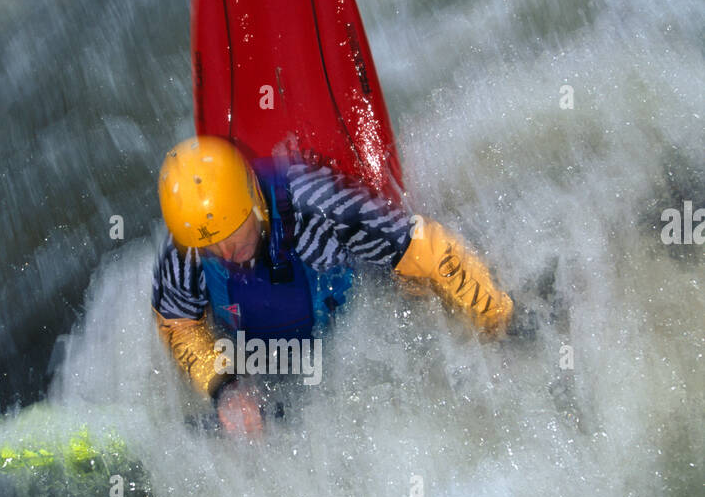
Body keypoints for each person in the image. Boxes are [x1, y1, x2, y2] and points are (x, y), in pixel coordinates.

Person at [151, 136, 513, 436]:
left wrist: (497, 318)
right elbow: (178, 324)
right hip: (264, 365)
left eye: (234, 233)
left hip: (357, 345)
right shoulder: (186, 246)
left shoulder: (319, 206)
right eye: (213, 245)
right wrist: (224, 387)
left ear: (254, 201)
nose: (227, 252)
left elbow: (427, 249)